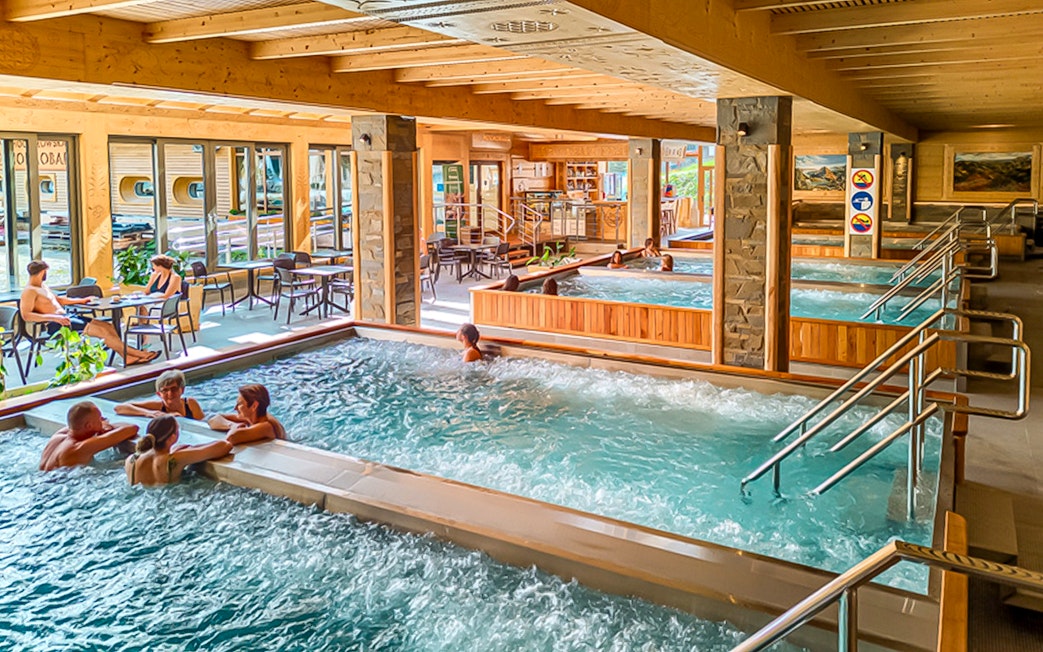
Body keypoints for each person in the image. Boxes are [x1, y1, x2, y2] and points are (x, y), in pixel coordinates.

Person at [20, 260, 158, 365]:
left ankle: (127, 357)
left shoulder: (42, 286)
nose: (47, 275)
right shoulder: (29, 291)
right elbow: (26, 315)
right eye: (46, 272)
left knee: (108, 327)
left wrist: (82, 300)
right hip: (56, 324)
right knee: (102, 332)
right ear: (42, 272)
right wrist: (54, 318)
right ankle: (140, 354)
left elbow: (59, 300)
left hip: (67, 316)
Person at [126, 415, 232, 486]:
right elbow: (225, 446)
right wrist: (188, 450)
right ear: (172, 437)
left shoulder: (131, 460)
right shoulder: (173, 459)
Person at [39, 401, 139, 471]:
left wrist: (100, 425)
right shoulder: (79, 448)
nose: (103, 420)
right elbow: (132, 428)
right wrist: (106, 426)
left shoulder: (59, 435)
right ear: (89, 426)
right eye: (100, 419)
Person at [208, 384, 287, 444]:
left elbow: (232, 437)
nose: (235, 408)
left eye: (239, 404)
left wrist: (235, 427)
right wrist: (231, 425)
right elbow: (213, 419)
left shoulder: (266, 426)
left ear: (254, 406)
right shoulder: (253, 416)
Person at [115, 369, 205, 420]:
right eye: (165, 390)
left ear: (182, 390)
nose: (170, 393)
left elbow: (203, 425)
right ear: (159, 394)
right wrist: (149, 413)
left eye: (174, 389)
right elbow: (119, 408)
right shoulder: (157, 407)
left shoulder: (190, 404)